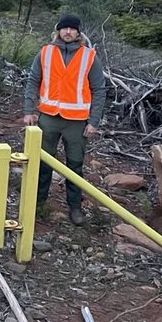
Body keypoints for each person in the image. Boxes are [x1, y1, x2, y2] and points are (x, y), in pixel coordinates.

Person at [22, 14, 105, 226]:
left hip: (77, 122)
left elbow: (99, 90)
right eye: (64, 28)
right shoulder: (45, 52)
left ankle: (75, 207)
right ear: (58, 31)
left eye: (72, 29)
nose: (68, 32)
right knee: (42, 162)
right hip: (48, 118)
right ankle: (38, 202)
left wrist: (94, 121)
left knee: (75, 165)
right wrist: (29, 110)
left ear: (78, 32)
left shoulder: (89, 57)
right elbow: (33, 81)